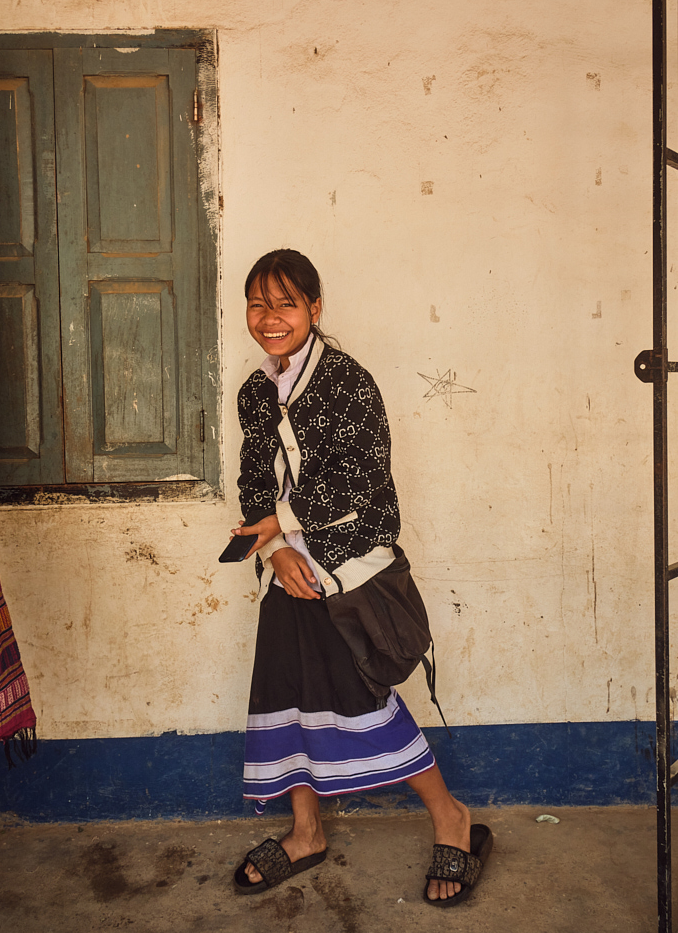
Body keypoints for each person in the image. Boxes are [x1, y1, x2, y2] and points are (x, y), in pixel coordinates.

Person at [231, 249, 492, 906]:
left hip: (350, 572)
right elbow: (253, 482)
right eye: (258, 304)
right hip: (287, 574)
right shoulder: (255, 393)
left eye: (285, 303)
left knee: (361, 697)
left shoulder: (348, 383)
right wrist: (274, 551)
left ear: (314, 309)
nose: (269, 317)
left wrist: (284, 524)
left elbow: (360, 482)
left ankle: (451, 817)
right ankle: (306, 831)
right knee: (286, 698)